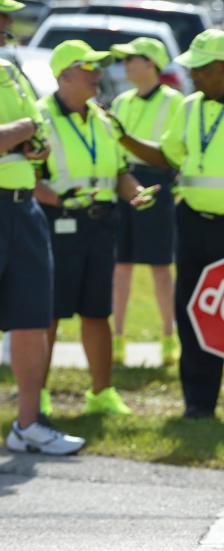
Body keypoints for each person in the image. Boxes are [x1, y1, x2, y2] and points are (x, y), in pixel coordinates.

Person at [114, 29, 224, 418]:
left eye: (199, 69)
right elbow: (166, 157)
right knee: (192, 310)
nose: (192, 75)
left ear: (223, 68)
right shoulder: (190, 106)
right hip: (192, 222)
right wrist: (123, 138)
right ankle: (199, 402)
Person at [34, 41, 157, 418]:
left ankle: (102, 392)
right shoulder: (38, 117)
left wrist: (134, 191)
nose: (98, 75)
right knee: (48, 313)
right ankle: (35, 393)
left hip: (101, 225)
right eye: (89, 68)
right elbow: (29, 178)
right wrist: (61, 201)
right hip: (56, 224)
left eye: (99, 67)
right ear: (64, 75)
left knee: (96, 311)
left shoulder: (103, 117)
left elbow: (118, 170)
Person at [1, 0, 86, 455]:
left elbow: (38, 130)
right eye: (1, 16)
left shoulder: (11, 70)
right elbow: (24, 126)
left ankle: (28, 424)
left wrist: (26, 138)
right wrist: (21, 130)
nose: (7, 25)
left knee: (32, 319)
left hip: (23, 206)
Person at [109, 37, 184, 367]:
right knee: (120, 266)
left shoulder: (174, 101)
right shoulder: (121, 101)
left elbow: (171, 154)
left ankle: (169, 337)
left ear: (151, 63)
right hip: (122, 183)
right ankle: (118, 338)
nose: (126, 65)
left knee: (159, 267)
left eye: (132, 59)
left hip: (157, 184)